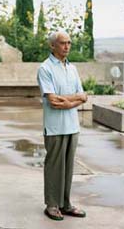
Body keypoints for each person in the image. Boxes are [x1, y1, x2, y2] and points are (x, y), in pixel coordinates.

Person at [37, 31, 88, 221]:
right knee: (54, 167)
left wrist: (67, 102)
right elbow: (52, 100)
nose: (67, 46)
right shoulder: (45, 68)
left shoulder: (72, 68)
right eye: (62, 43)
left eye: (69, 43)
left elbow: (83, 96)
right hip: (55, 127)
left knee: (68, 168)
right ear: (52, 46)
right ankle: (51, 205)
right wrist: (74, 99)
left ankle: (65, 204)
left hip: (72, 126)